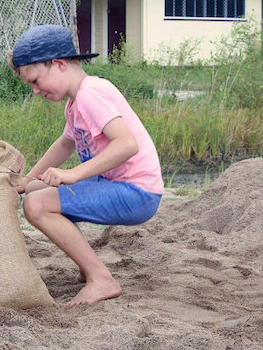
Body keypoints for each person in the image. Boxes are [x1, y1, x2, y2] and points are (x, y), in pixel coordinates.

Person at [10, 25, 163, 306]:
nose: (34, 91)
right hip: (116, 185)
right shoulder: (75, 103)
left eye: (35, 81)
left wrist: (73, 174)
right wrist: (26, 179)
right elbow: (65, 144)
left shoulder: (91, 94)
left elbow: (127, 144)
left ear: (58, 64)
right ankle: (87, 267)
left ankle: (101, 278)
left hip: (136, 191)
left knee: (37, 205)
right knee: (33, 191)